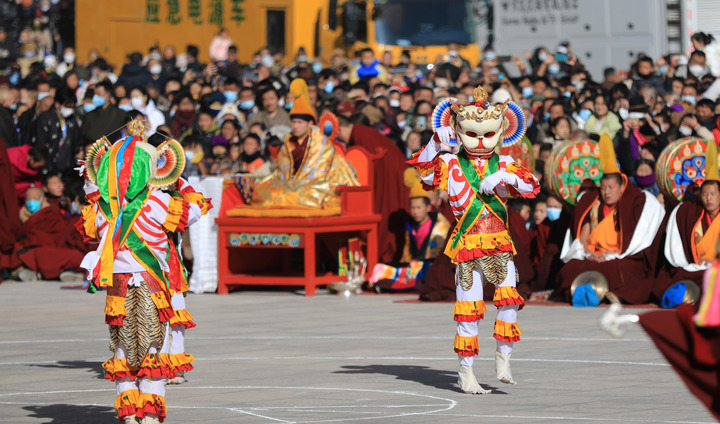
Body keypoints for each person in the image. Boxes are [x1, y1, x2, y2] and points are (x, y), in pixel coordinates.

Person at [407, 86, 539, 393]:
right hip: (467, 243)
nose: (480, 142)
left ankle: (503, 358)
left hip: (499, 242)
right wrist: (434, 141)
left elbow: (531, 186)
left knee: (509, 302)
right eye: (473, 134)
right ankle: (466, 372)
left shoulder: (504, 162)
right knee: (469, 307)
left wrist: (502, 178)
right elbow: (424, 175)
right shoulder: (451, 163)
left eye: (488, 135)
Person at [78, 121, 208, 424]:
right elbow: (196, 211)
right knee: (153, 346)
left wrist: (93, 182)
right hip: (152, 286)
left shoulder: (104, 210)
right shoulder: (158, 202)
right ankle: (149, 411)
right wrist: (182, 184)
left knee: (122, 347)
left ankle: (127, 410)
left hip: (118, 289)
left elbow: (91, 212)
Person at [553, 134, 666, 305]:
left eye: (611, 188)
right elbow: (584, 237)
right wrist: (588, 252)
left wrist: (611, 255)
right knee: (572, 268)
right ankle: (587, 293)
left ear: (622, 187)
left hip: (618, 255)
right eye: (604, 188)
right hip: (594, 254)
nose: (606, 192)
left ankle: (611, 294)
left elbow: (631, 242)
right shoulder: (594, 205)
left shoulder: (631, 205)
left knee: (620, 269)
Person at [247, 79, 359, 210]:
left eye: (300, 123)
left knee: (302, 195)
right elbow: (283, 170)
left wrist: (296, 181)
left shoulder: (321, 142)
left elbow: (318, 172)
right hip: (293, 182)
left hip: (322, 182)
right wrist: (290, 180)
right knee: (261, 191)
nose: (295, 126)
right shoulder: (289, 141)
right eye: (293, 122)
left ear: (310, 124)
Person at [337, 115, 410, 262]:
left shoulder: (362, 137)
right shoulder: (364, 134)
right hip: (391, 176)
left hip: (389, 180)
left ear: (339, 130)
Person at [369, 169, 451, 292]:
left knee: (417, 270)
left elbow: (437, 258)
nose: (415, 212)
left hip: (432, 267)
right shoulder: (410, 226)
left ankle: (397, 283)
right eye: (412, 208)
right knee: (379, 268)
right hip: (413, 267)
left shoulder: (440, 225)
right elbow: (406, 256)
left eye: (419, 207)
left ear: (428, 207)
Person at [660, 141, 720, 306]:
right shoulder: (691, 212)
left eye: (713, 194)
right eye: (705, 194)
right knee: (678, 276)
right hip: (697, 266)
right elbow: (677, 246)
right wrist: (695, 261)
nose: (708, 199)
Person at [33, 87, 81, 177]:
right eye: (67, 106)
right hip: (48, 167)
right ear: (57, 104)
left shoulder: (72, 120)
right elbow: (40, 144)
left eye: (71, 107)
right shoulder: (45, 119)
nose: (69, 109)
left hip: (67, 167)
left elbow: (76, 141)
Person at [80, 80, 127, 144]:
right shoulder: (89, 115)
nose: (95, 97)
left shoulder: (120, 114)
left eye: (99, 94)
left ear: (108, 96)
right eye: (95, 94)